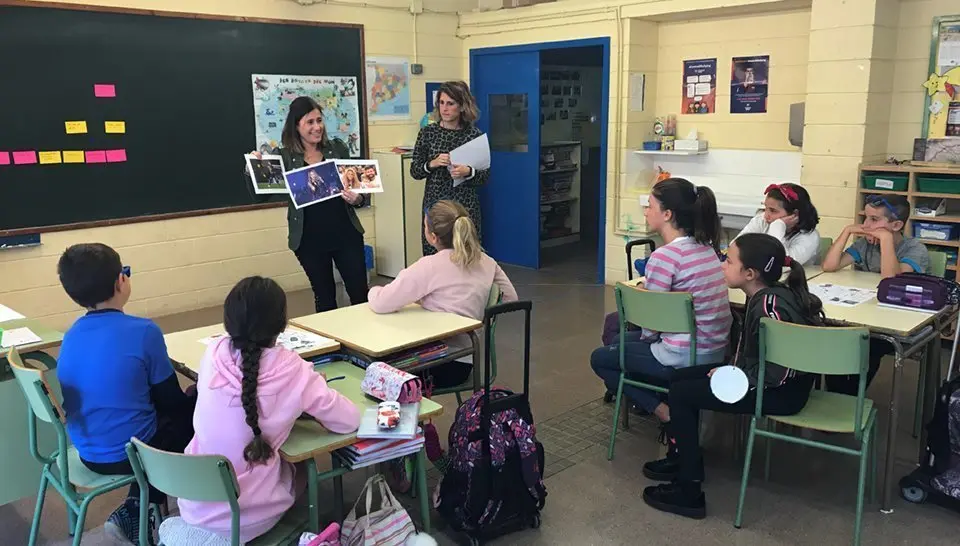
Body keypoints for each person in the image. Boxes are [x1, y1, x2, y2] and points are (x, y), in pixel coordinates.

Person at [641, 233, 823, 519]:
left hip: (779, 393)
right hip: (762, 380)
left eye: (728, 260)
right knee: (680, 379)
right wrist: (734, 370)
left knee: (683, 395)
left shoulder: (769, 307)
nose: (722, 264)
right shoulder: (763, 296)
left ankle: (689, 491)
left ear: (749, 273)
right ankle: (683, 458)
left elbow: (781, 370)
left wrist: (739, 376)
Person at [176, 276, 361, 543]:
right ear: (283, 323)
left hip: (194, 501)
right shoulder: (292, 369)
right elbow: (348, 420)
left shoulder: (213, 352)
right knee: (301, 469)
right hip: (248, 516)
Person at [55, 243, 196, 544]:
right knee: (196, 409)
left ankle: (138, 504)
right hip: (129, 453)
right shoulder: (144, 331)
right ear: (121, 281)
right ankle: (151, 507)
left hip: (86, 451)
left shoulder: (71, 335)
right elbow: (170, 401)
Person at [590, 178, 732, 421]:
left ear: (667, 214)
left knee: (601, 358)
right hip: (716, 351)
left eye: (650, 206)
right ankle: (665, 398)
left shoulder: (665, 256)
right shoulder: (707, 248)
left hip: (683, 355)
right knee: (618, 339)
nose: (645, 211)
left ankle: (662, 410)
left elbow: (650, 327)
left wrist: (643, 295)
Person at [368, 200, 517, 388]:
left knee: (372, 365)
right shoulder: (486, 261)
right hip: (468, 361)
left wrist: (374, 290)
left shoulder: (429, 266)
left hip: (433, 363)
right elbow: (510, 298)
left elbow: (382, 303)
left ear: (432, 237)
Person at [247, 96, 368, 313]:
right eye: (310, 122)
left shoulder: (337, 149)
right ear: (296, 126)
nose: (317, 127)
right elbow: (260, 197)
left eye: (319, 121)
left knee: (360, 294)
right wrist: (253, 170)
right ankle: (333, 346)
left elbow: (360, 191)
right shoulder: (284, 156)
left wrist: (357, 199)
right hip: (309, 240)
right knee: (325, 298)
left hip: (346, 234)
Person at [821, 194, 930, 394]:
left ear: (896, 225)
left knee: (866, 345)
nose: (866, 225)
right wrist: (846, 231)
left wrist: (886, 239)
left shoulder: (915, 249)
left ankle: (848, 396)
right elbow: (829, 266)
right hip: (865, 312)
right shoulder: (865, 245)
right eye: (865, 218)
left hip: (896, 322)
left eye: (874, 220)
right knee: (832, 333)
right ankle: (835, 392)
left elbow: (891, 280)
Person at [410, 81, 490, 257]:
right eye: (441, 103)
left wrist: (468, 172)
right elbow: (415, 171)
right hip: (436, 203)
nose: (444, 109)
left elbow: (485, 176)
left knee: (466, 253)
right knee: (435, 255)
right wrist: (432, 164)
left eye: (450, 103)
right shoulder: (428, 133)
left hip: (464, 205)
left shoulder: (473, 135)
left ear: (462, 106)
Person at [734, 183, 821, 266]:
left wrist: (778, 225)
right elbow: (735, 248)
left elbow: (782, 263)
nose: (766, 215)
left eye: (773, 211)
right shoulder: (761, 220)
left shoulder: (809, 236)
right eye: (765, 208)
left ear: (794, 214)